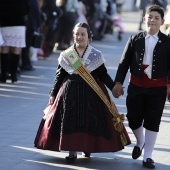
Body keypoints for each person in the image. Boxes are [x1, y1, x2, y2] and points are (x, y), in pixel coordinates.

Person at [34, 22, 131, 163]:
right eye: (76, 34)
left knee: (91, 121)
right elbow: (59, 76)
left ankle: (88, 147)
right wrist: (53, 95)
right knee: (70, 122)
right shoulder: (66, 55)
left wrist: (113, 87)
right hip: (69, 93)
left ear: (89, 36)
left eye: (82, 34)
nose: (79, 37)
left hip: (92, 93)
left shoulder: (95, 55)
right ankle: (72, 151)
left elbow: (103, 75)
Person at [112, 4, 170, 169]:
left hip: (158, 87)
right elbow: (123, 63)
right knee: (133, 118)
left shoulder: (167, 42)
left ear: (162, 21)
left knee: (153, 120)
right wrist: (117, 83)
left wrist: (169, 85)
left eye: (156, 18)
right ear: (145, 19)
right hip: (136, 85)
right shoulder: (135, 39)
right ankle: (141, 141)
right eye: (150, 17)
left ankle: (148, 155)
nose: (152, 20)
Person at [0, 0, 29, 83]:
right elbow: (26, 11)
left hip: (5, 24)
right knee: (16, 49)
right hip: (19, 24)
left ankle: (3, 75)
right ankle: (13, 75)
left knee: (4, 49)